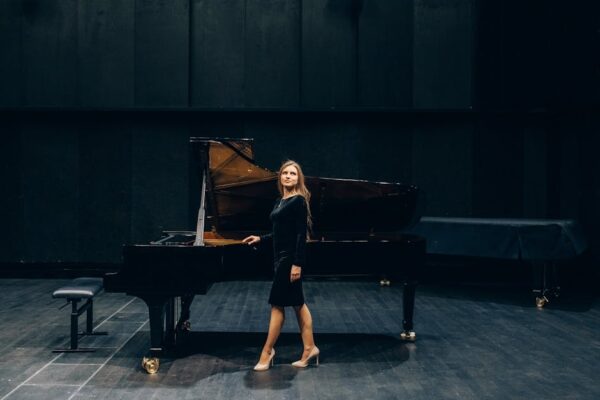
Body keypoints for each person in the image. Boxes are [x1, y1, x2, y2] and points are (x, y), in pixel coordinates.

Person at [243, 160, 320, 371]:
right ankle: (310, 348)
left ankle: (267, 352)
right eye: (285, 173)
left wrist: (297, 264)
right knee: (298, 304)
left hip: (289, 260)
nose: (288, 176)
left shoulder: (298, 201)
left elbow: (299, 235)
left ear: (298, 178)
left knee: (277, 305)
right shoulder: (280, 201)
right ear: (280, 177)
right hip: (279, 258)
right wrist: (260, 238)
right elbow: (279, 233)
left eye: (293, 173)